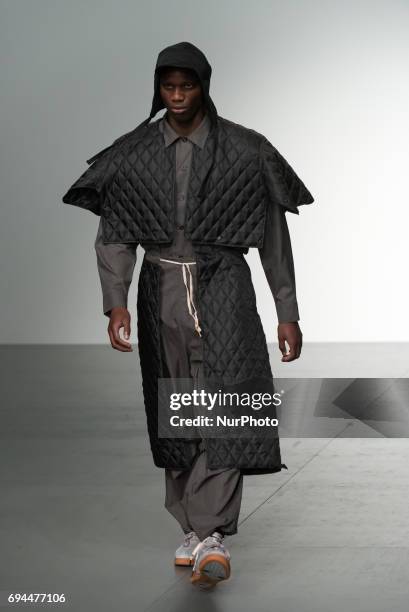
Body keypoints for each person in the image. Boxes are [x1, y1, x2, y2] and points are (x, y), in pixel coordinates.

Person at [62, 41, 314, 589]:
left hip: (223, 283)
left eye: (188, 86)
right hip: (160, 290)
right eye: (167, 87)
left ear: (205, 86)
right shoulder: (132, 153)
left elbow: (274, 238)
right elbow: (115, 236)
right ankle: (192, 527)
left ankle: (213, 534)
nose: (176, 97)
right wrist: (115, 302)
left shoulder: (246, 152)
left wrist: (287, 311)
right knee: (177, 404)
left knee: (227, 402)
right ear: (157, 87)